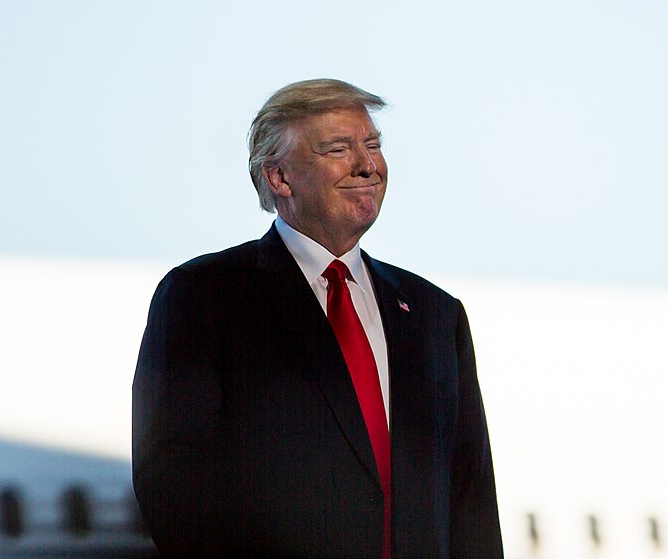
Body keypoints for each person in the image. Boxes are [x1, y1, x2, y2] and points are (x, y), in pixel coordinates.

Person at [132, 79, 503, 558]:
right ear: (279, 178)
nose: (368, 165)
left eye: (372, 146)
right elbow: (172, 480)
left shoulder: (435, 314)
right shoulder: (205, 296)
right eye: (338, 149)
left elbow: (470, 493)